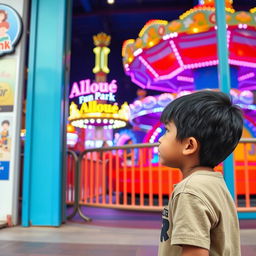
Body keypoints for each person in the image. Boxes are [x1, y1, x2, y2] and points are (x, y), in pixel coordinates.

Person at [158, 90, 243, 256]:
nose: (160, 139)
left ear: (189, 145)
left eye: (167, 130)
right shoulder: (214, 183)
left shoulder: (189, 191)